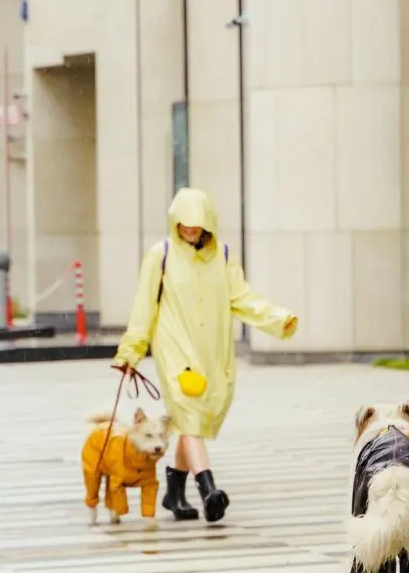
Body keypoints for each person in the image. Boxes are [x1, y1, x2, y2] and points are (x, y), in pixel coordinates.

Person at [113, 188, 298, 524]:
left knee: (190, 421)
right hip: (174, 349)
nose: (189, 230)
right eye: (183, 223)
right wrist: (131, 352)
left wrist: (277, 318)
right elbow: (144, 305)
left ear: (208, 224)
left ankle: (173, 493)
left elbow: (241, 297)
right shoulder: (162, 254)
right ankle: (208, 489)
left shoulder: (223, 256)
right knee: (190, 413)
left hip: (212, 351)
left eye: (196, 224)